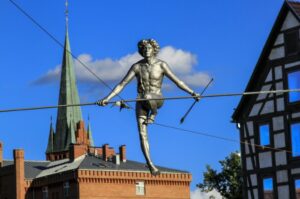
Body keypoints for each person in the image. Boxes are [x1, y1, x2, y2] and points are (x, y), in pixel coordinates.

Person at [97, 39, 200, 175]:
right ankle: (150, 164)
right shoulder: (137, 67)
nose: (146, 51)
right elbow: (122, 84)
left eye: (149, 49)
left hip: (157, 99)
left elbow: (177, 81)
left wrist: (192, 93)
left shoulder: (161, 65)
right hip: (142, 101)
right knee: (142, 133)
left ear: (154, 50)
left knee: (147, 95)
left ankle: (153, 115)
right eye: (144, 49)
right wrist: (107, 98)